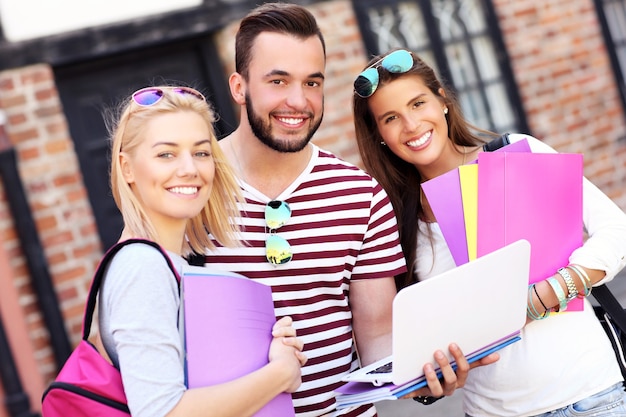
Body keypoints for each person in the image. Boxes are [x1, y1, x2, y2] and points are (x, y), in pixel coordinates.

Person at [203, 3, 499, 416]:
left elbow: (378, 340)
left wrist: (427, 378)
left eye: (312, 82)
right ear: (239, 86)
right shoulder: (193, 187)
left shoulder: (361, 196)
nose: (297, 101)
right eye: (278, 81)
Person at [352, 48, 626, 416]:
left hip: (590, 395)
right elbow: (409, 341)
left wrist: (548, 293)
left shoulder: (514, 155)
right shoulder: (396, 222)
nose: (411, 125)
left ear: (443, 101)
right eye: (391, 118)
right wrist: (430, 382)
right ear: (380, 134)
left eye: (418, 104)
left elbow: (616, 230)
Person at [98, 85, 307, 417]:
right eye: (166, 154)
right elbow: (162, 413)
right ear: (126, 167)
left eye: (200, 152)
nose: (189, 169)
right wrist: (279, 374)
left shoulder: (172, 263)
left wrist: (267, 350)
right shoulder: (142, 266)